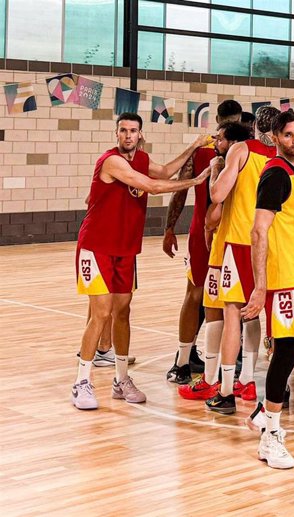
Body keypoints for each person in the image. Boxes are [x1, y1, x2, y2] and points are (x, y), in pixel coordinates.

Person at [72, 113, 212, 410]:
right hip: (97, 247)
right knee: (102, 312)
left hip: (126, 249)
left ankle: (121, 379)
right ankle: (81, 381)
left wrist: (194, 146)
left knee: (123, 313)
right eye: (123, 130)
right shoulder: (111, 161)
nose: (127, 135)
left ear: (140, 134)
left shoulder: (142, 158)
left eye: (132, 131)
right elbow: (153, 186)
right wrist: (198, 179)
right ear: (117, 134)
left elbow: (164, 171)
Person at [242, 110, 294, 469]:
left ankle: (261, 414)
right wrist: (260, 287)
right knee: (286, 349)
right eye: (289, 135)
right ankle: (270, 436)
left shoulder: (291, 172)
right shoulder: (274, 175)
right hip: (282, 281)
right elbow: (259, 231)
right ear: (275, 139)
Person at [200, 106, 280, 413]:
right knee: (257, 313)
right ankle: (250, 379)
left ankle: (225, 390)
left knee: (233, 312)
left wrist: (216, 172)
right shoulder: (280, 159)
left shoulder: (241, 149)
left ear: (255, 125)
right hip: (270, 242)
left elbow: (218, 194)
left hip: (238, 240)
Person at [163, 101, 244, 384]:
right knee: (232, 301)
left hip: (208, 230)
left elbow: (181, 191)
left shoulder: (207, 151)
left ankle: (184, 362)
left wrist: (170, 228)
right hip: (229, 232)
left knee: (198, 294)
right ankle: (229, 368)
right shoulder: (246, 150)